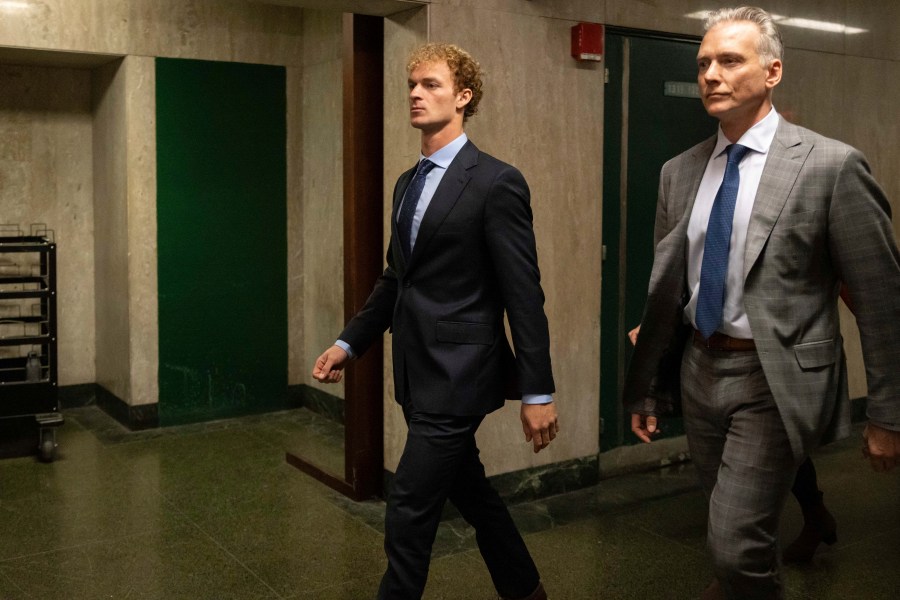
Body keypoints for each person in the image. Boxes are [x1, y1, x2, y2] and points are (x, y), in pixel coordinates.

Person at [622, 7, 900, 599]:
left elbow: (881, 302)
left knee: (733, 544)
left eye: (729, 61)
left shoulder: (830, 165)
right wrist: (649, 382)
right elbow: (671, 288)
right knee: (738, 535)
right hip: (699, 370)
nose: (711, 76)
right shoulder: (680, 172)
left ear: (772, 72)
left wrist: (887, 414)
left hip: (773, 379)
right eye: (703, 64)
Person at [312, 43, 558, 600]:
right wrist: (349, 343)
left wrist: (538, 390)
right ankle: (527, 591)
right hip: (417, 369)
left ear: (464, 97)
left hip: (463, 373)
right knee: (474, 497)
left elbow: (524, 295)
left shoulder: (497, 182)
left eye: (431, 85)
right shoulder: (407, 184)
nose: (416, 95)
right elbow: (396, 279)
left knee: (409, 507)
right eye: (411, 86)